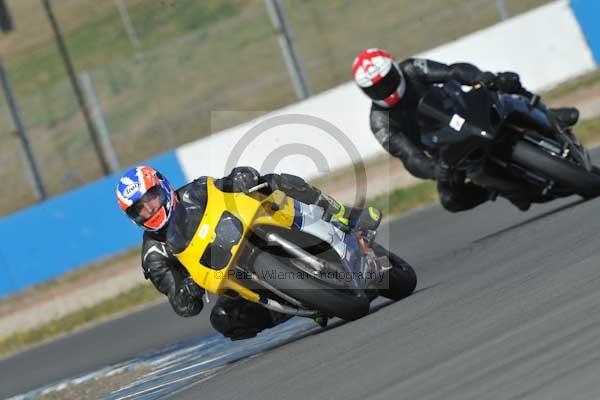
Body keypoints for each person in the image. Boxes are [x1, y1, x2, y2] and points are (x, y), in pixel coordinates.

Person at [116, 165, 381, 340]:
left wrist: (242, 177)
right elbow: (182, 304)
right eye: (140, 209)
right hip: (228, 275)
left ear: (161, 187)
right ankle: (305, 306)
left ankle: (345, 216)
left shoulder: (195, 191)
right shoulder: (154, 254)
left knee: (272, 182)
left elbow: (228, 183)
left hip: (246, 230)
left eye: (150, 198)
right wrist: (187, 290)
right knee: (224, 320)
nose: (149, 209)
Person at [352, 48, 580, 212]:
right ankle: (499, 189)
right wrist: (434, 170)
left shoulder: (412, 68)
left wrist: (479, 78)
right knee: (451, 200)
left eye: (387, 80)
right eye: (375, 88)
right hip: (446, 151)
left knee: (505, 83)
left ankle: (549, 114)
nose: (384, 89)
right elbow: (408, 155)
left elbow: (452, 72)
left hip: (465, 110)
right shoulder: (380, 122)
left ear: (395, 67)